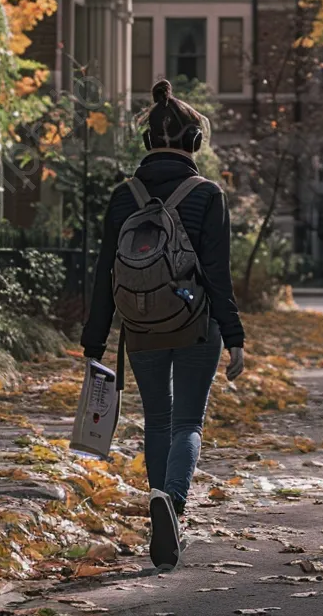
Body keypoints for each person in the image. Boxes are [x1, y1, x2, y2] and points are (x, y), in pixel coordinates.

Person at [81, 79, 245, 571]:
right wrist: (234, 338)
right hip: (196, 325)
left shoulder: (122, 196)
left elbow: (105, 271)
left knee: (157, 419)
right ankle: (172, 502)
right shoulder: (207, 195)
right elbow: (218, 274)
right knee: (188, 421)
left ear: (147, 141)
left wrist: (95, 340)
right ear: (195, 143)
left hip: (141, 327)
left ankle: (158, 502)